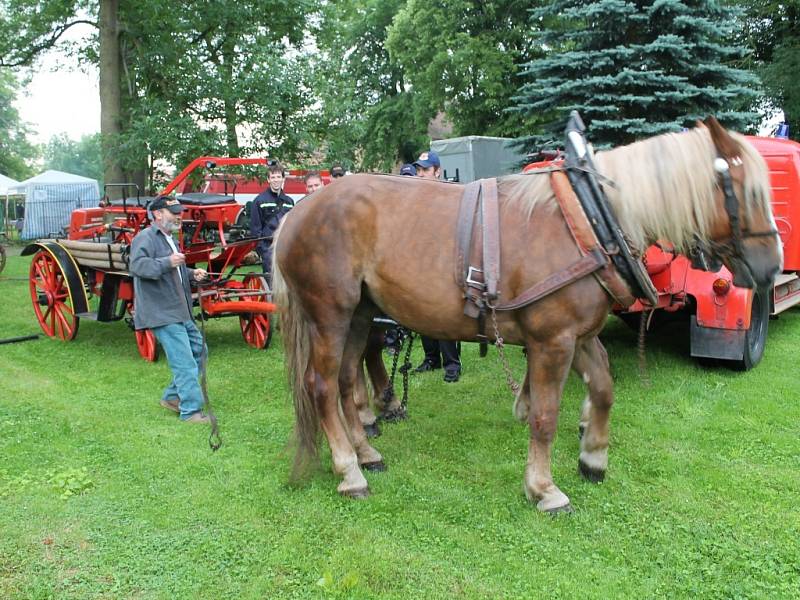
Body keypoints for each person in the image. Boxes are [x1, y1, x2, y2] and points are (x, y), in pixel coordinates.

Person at [129, 195, 209, 423]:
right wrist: (167, 263)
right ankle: (191, 412)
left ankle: (172, 397)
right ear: (157, 214)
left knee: (200, 351)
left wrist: (192, 273)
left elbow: (175, 269)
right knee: (184, 361)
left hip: (179, 309)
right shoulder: (145, 238)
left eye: (179, 211)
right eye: (173, 211)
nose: (179, 215)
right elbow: (137, 266)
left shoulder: (169, 238)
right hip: (162, 312)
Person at [412, 150, 462, 383]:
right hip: (421, 263)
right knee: (422, 311)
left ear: (437, 171)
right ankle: (431, 358)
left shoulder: (450, 195)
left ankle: (452, 363)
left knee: (445, 314)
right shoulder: (415, 198)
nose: (420, 174)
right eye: (419, 170)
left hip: (445, 263)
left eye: (425, 170)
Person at [250, 160, 294, 279]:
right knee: (271, 283)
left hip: (285, 248)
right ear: (268, 180)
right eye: (273, 177)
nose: (276, 180)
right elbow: (255, 229)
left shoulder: (289, 202)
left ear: (283, 179)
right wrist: (263, 252)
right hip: (268, 248)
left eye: (278, 177)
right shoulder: (259, 201)